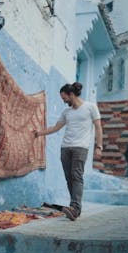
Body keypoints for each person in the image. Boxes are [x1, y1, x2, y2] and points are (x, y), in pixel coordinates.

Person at [33, 82, 103, 221]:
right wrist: (39, 133)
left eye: (65, 98)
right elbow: (56, 127)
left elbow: (98, 127)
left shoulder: (90, 107)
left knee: (76, 175)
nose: (64, 101)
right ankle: (74, 208)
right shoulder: (67, 112)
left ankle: (75, 207)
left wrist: (99, 146)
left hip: (81, 147)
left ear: (71, 95)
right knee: (69, 178)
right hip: (65, 148)